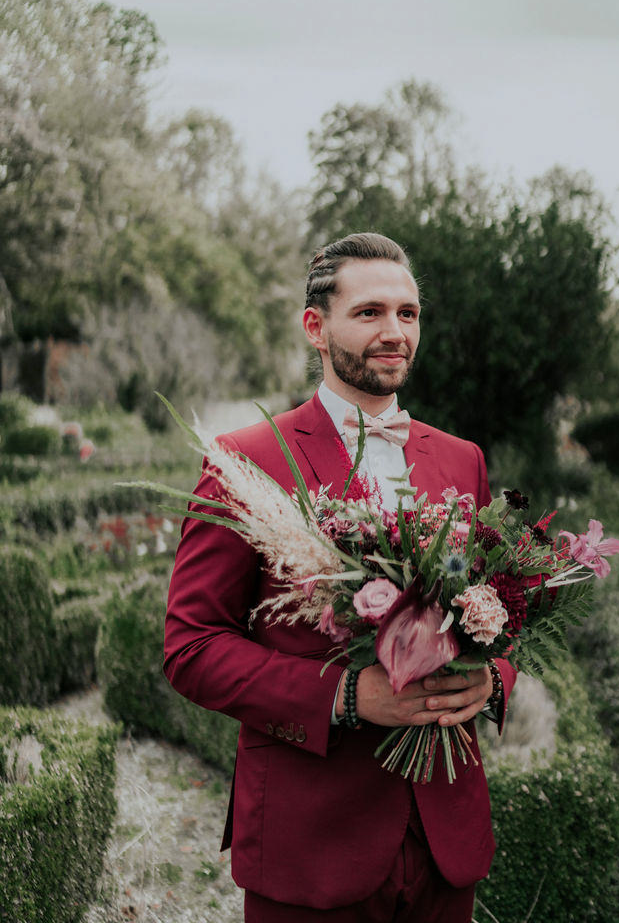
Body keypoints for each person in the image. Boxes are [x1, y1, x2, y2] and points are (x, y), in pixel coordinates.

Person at [164, 232, 517, 923]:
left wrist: (490, 679)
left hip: (447, 839)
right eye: (370, 313)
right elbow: (191, 647)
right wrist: (349, 695)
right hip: (310, 844)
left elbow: (500, 615)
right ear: (314, 328)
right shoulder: (244, 462)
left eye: (408, 314)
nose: (395, 333)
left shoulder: (462, 458)